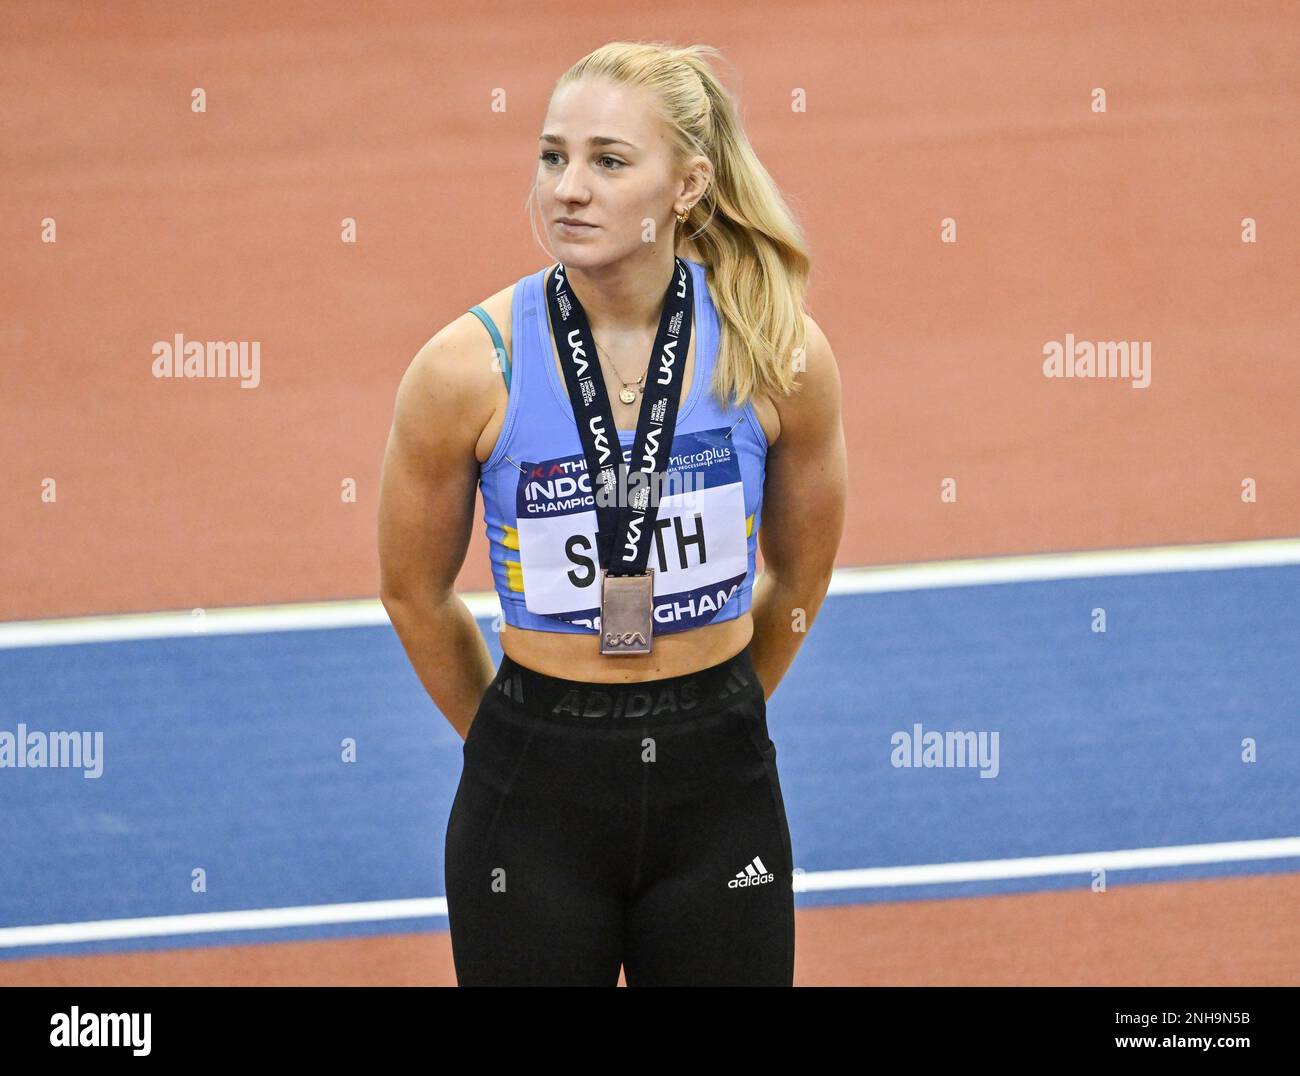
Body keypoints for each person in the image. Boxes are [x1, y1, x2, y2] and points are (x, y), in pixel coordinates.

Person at [378, 41, 846, 986]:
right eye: (552, 156)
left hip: (720, 788)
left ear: (688, 186)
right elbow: (414, 596)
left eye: (608, 160)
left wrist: (712, 708)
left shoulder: (775, 352)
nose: (568, 189)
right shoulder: (465, 370)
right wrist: (524, 739)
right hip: (534, 792)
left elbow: (798, 579)